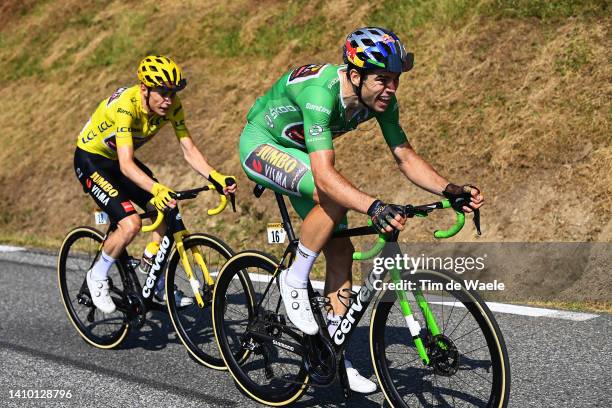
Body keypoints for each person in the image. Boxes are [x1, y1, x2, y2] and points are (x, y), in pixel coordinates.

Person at [238, 27, 484, 393]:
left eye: (396, 80)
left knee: (342, 249)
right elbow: (323, 174)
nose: (391, 88)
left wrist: (450, 189)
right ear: (355, 75)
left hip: (298, 153)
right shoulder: (320, 94)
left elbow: (405, 156)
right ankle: (295, 277)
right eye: (383, 79)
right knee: (334, 198)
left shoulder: (380, 101)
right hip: (261, 144)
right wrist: (374, 205)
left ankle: (334, 356)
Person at [74, 55, 237, 314]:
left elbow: (188, 149)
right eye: (162, 93)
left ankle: (154, 273)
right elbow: (127, 165)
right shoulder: (126, 106)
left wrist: (215, 177)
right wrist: (157, 188)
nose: (168, 100)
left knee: (167, 207)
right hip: (92, 161)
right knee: (131, 223)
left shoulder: (172, 105)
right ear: (144, 89)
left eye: (172, 92)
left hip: (118, 161)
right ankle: (98, 274)